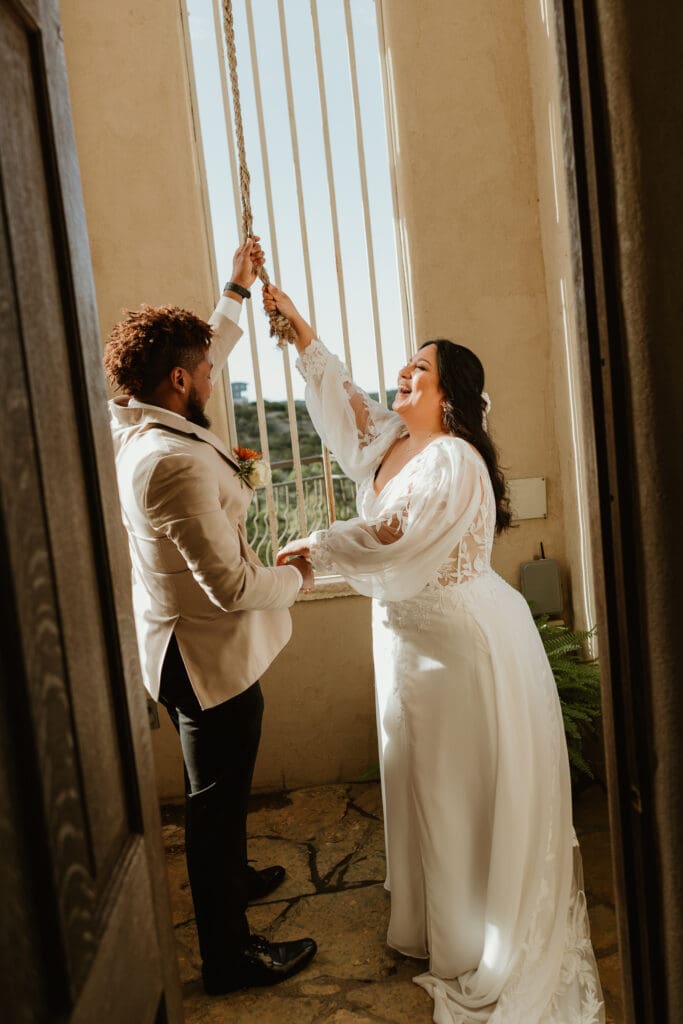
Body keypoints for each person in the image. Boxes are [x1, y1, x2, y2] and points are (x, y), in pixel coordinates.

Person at [265, 282, 605, 1023]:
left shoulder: (452, 460)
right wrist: (297, 332)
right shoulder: (392, 441)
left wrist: (315, 547)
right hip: (406, 640)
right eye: (404, 368)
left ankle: (472, 936)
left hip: (462, 646)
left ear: (450, 391)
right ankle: (430, 922)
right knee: (418, 780)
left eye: (417, 370)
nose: (402, 377)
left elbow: (400, 539)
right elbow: (344, 401)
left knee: (457, 789)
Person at [104, 239, 317, 996]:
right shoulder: (172, 461)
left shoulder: (139, 416)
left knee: (223, 791)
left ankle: (233, 880)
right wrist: (296, 576)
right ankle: (229, 957)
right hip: (200, 655)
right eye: (201, 371)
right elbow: (230, 586)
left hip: (198, 645)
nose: (212, 375)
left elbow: (208, 349)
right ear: (178, 381)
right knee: (215, 808)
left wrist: (234, 286)